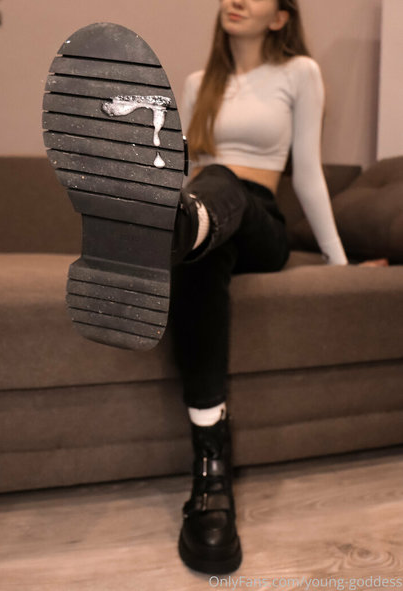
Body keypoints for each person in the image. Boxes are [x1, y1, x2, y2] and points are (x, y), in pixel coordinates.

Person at [169, 0, 352, 576]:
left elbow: (308, 172)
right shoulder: (199, 82)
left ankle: (179, 228)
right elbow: (187, 167)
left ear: (280, 17)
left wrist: (339, 262)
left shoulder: (299, 73)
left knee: (215, 185)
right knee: (199, 243)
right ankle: (211, 471)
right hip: (207, 222)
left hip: (260, 223)